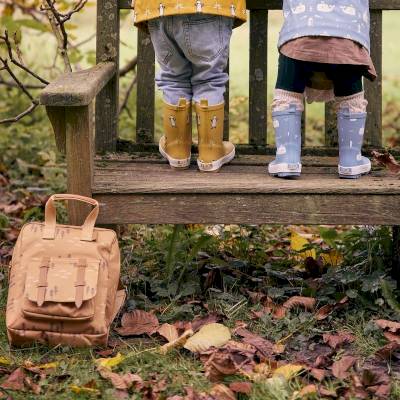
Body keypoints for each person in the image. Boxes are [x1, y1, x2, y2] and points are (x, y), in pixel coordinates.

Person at [133, 1, 246, 172]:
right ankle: (211, 152)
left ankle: (177, 150)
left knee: (173, 78)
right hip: (210, 6)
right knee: (209, 79)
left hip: (157, 7)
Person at [269, 0, 376, 179]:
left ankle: (287, 158)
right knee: (351, 98)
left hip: (298, 35)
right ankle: (351, 160)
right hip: (347, 37)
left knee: (287, 95)